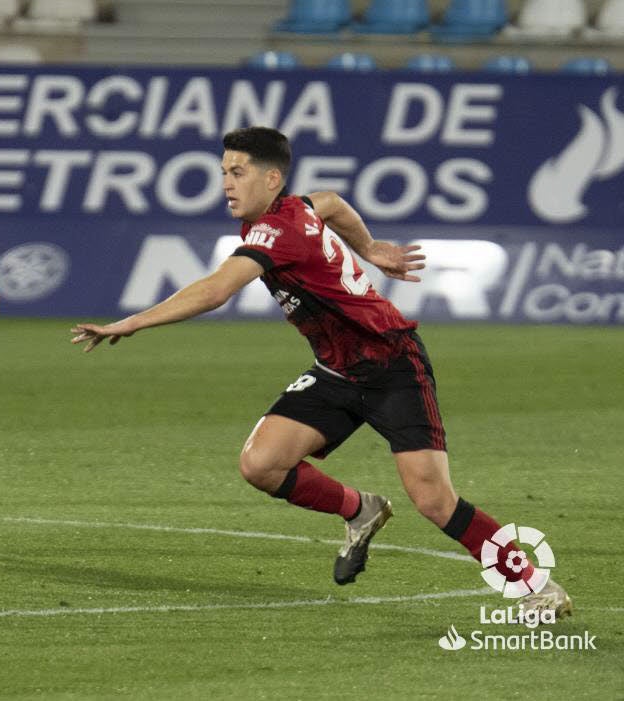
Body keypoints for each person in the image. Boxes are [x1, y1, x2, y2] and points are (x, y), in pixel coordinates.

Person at [71, 126, 571, 616]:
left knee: (433, 499)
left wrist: (134, 322)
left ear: (271, 179)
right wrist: (368, 248)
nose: (225, 182)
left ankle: (534, 584)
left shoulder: (278, 230)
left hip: (390, 363)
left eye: (237, 171)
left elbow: (215, 290)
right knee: (261, 464)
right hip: (336, 371)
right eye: (223, 170)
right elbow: (329, 202)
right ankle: (360, 509)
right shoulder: (294, 210)